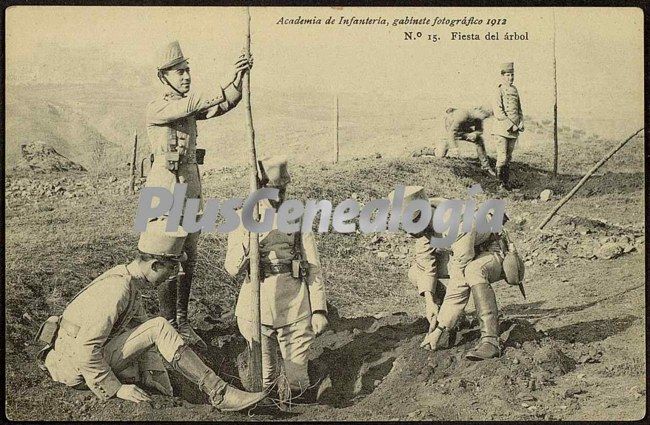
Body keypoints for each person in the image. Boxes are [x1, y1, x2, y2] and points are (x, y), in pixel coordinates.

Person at [38, 217, 266, 411]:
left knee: (155, 334)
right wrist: (116, 389)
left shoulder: (128, 280)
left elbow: (141, 333)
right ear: (155, 265)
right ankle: (219, 393)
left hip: (73, 360)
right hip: (73, 367)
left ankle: (200, 389)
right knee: (159, 325)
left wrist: (162, 382)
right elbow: (86, 350)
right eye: (172, 268)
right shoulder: (117, 290)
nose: (175, 275)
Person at [145, 40, 252, 348]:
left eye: (187, 71)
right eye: (179, 72)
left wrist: (239, 79)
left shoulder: (187, 106)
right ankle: (167, 324)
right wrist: (226, 78)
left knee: (188, 257)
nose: (186, 76)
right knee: (167, 256)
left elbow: (223, 104)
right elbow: (193, 104)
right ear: (164, 77)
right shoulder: (160, 107)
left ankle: (182, 321)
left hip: (190, 187)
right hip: (165, 189)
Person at [225, 157, 328, 399]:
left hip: (294, 304)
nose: (280, 195)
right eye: (274, 189)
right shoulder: (243, 217)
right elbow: (231, 268)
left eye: (283, 189)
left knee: (297, 387)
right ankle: (250, 363)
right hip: (257, 307)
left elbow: (313, 266)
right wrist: (249, 237)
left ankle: (309, 371)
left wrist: (319, 310)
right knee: (264, 387)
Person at [419, 208, 525, 360]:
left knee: (472, 271)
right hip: (464, 253)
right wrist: (430, 302)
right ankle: (456, 319)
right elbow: (424, 264)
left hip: (492, 251)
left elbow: (459, 282)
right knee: (416, 270)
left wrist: (440, 328)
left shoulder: (458, 225)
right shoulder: (422, 223)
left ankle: (491, 341)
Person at [491, 62, 524, 190]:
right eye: (508, 75)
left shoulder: (515, 90)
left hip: (514, 130)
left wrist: (521, 122)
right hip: (502, 130)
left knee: (508, 158)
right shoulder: (498, 90)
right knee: (502, 157)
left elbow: (519, 109)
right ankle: (500, 185)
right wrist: (511, 126)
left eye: (512, 75)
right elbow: (499, 113)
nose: (510, 78)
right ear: (503, 76)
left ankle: (506, 183)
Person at [437, 106, 497, 176]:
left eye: (486, 117)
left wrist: (475, 134)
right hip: (449, 131)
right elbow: (452, 132)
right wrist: (454, 148)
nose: (484, 118)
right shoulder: (462, 115)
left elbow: (480, 130)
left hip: (463, 131)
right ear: (478, 111)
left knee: (479, 140)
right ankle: (425, 150)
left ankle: (486, 166)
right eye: (484, 116)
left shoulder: (478, 117)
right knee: (440, 155)